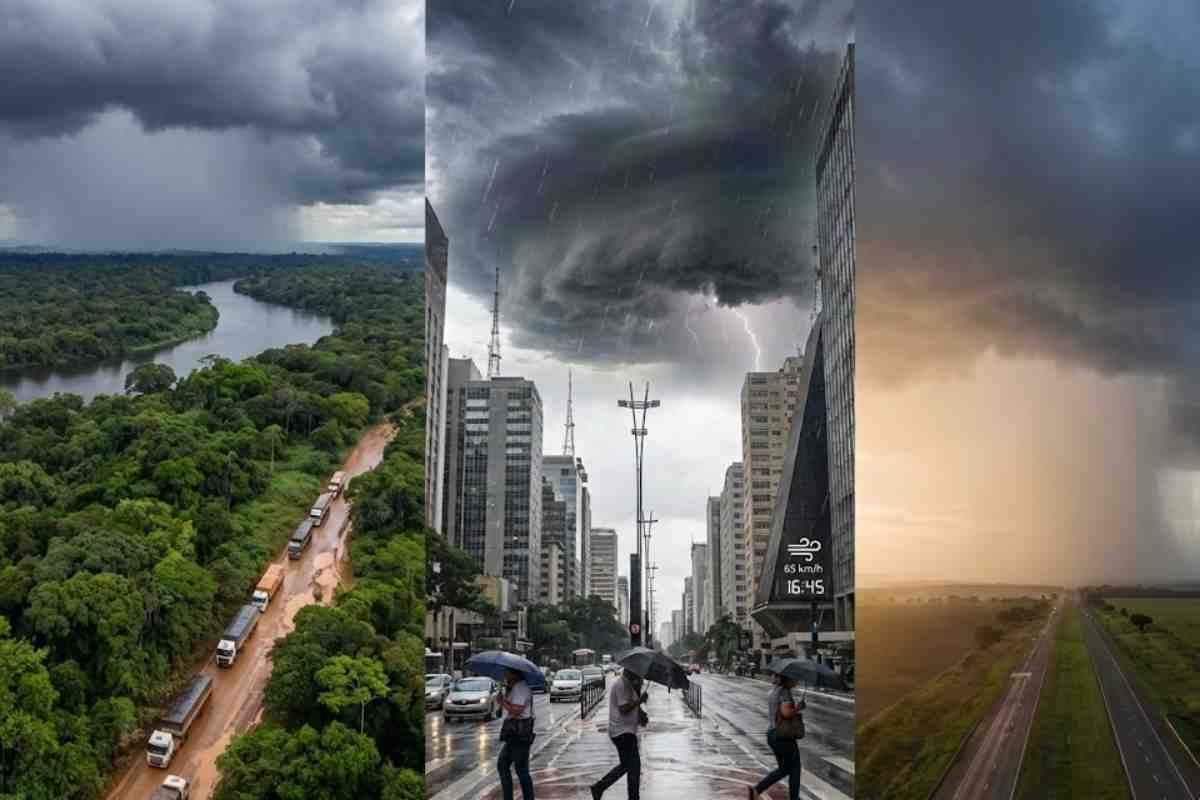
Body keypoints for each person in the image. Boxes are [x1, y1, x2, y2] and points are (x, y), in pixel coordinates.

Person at [590, 669, 647, 800]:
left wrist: (641, 715)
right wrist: (640, 701)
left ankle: (599, 787)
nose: (639, 676)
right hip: (622, 732)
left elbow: (632, 707)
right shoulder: (621, 684)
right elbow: (624, 708)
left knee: (627, 765)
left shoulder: (629, 685)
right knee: (634, 767)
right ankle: (632, 797)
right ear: (630, 671)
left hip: (625, 731)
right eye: (637, 674)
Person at [749, 673, 804, 800]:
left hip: (772, 734)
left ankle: (757, 790)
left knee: (786, 769)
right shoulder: (785, 692)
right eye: (795, 678)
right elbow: (786, 713)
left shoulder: (774, 690)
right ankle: (758, 789)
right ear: (788, 679)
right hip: (783, 736)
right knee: (794, 768)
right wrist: (798, 708)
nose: (797, 681)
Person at [497, 668, 535, 800]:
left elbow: (517, 710)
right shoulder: (516, 687)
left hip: (518, 734)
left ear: (514, 673)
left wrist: (502, 702)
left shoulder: (520, 688)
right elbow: (514, 706)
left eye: (507, 672)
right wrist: (504, 698)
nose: (505, 674)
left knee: (520, 770)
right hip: (515, 735)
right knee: (505, 765)